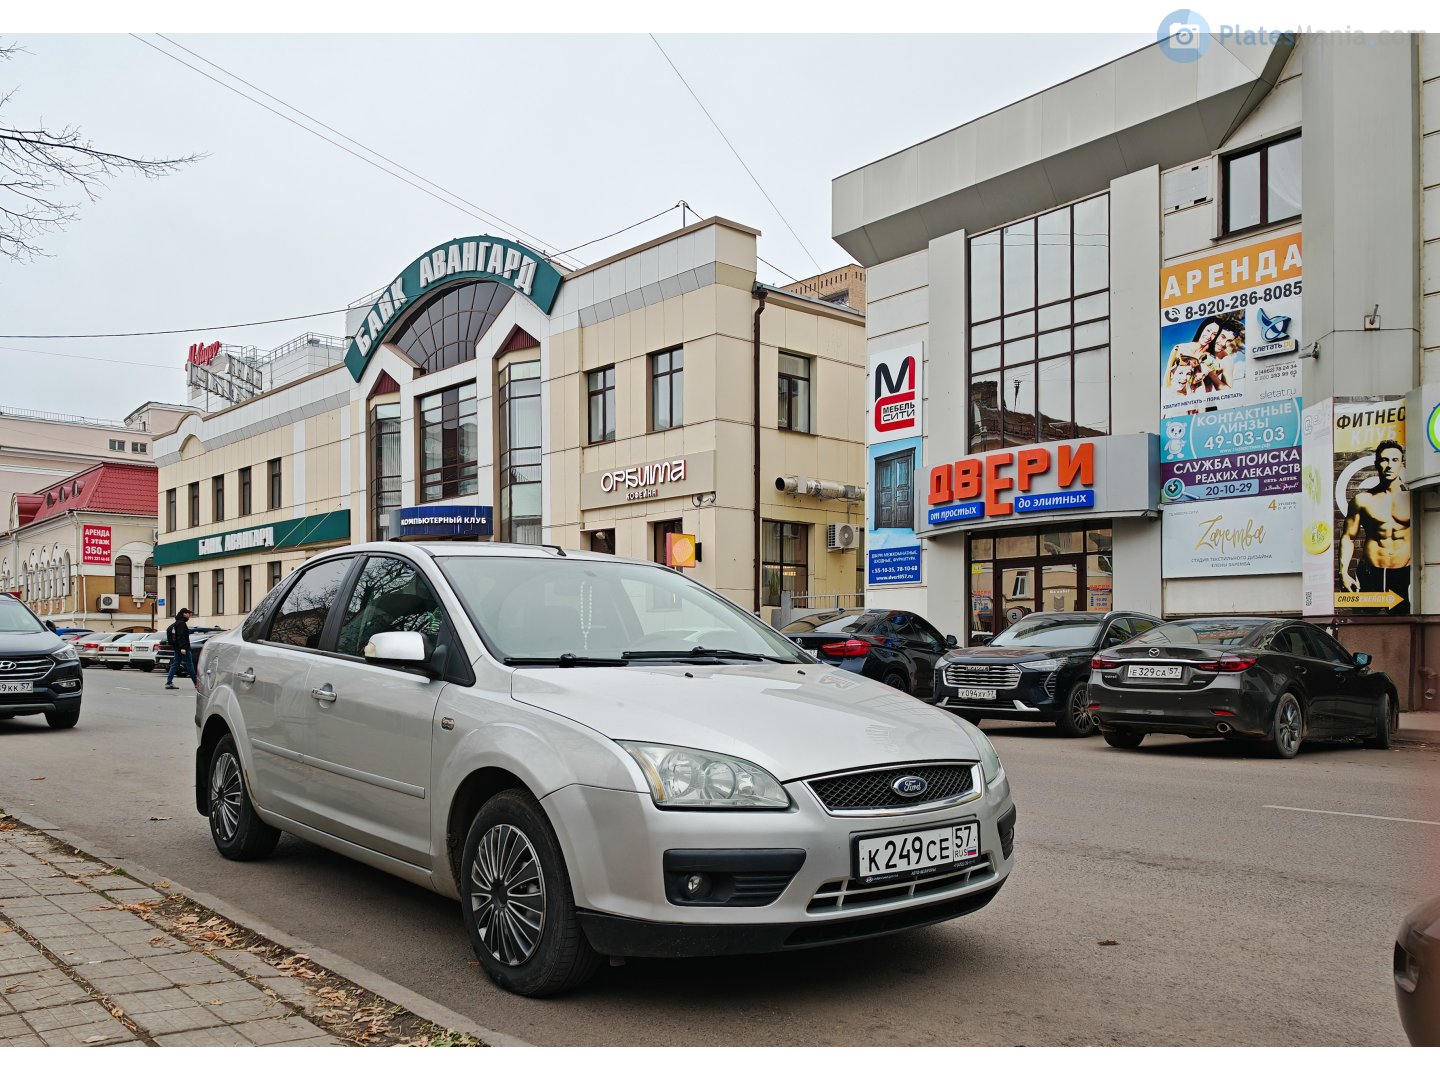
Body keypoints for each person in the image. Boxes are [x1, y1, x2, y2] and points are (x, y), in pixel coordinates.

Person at [1340, 440, 1412, 614]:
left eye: (1394, 460)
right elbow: (1348, 537)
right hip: (1371, 572)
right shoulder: (1363, 500)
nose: (1389, 465)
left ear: (1402, 464)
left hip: (1403, 572)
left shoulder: (1411, 498)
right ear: (1376, 464)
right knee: (1365, 619)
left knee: (1403, 620)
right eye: (1384, 460)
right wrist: (1343, 573)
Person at [164, 607, 199, 689]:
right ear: (184, 614)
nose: (190, 615)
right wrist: (183, 648)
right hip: (183, 648)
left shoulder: (177, 623)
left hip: (177, 648)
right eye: (188, 613)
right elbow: (181, 636)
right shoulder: (181, 624)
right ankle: (196, 683)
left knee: (175, 664)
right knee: (190, 665)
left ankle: (169, 682)